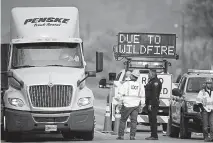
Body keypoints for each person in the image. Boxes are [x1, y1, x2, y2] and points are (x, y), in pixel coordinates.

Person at [115, 69, 144, 140]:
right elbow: (142, 96)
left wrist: (120, 103)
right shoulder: (140, 85)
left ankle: (121, 136)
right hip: (136, 105)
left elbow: (120, 95)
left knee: (123, 120)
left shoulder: (126, 84)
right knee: (134, 121)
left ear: (131, 76)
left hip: (127, 105)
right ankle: (132, 136)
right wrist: (142, 105)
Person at [144, 69, 162, 140]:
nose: (148, 75)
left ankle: (154, 136)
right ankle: (153, 135)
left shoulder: (155, 82)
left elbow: (154, 94)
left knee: (153, 119)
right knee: (151, 120)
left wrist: (150, 104)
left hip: (153, 104)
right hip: (150, 103)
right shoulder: (151, 81)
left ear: (153, 74)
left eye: (149, 74)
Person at [196, 77, 213, 142]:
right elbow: (198, 102)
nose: (209, 85)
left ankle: (212, 137)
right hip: (205, 111)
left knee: (212, 124)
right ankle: (206, 137)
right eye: (208, 83)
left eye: (210, 83)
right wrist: (202, 109)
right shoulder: (202, 92)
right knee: (205, 125)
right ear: (206, 84)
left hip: (212, 110)